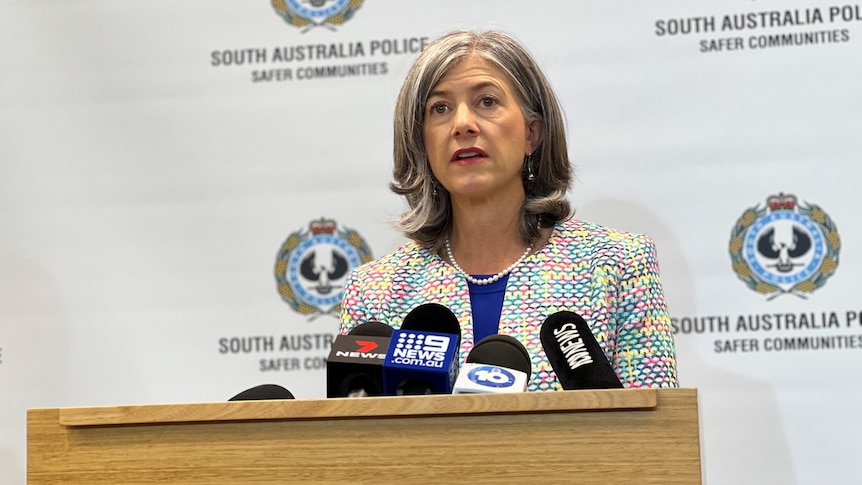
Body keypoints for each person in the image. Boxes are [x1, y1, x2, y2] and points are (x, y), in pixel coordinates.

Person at [339, 29, 677, 391]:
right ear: (421, 142)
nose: (463, 124)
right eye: (440, 108)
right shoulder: (375, 291)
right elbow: (357, 440)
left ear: (532, 133)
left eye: (486, 101)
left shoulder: (618, 265)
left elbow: (655, 435)